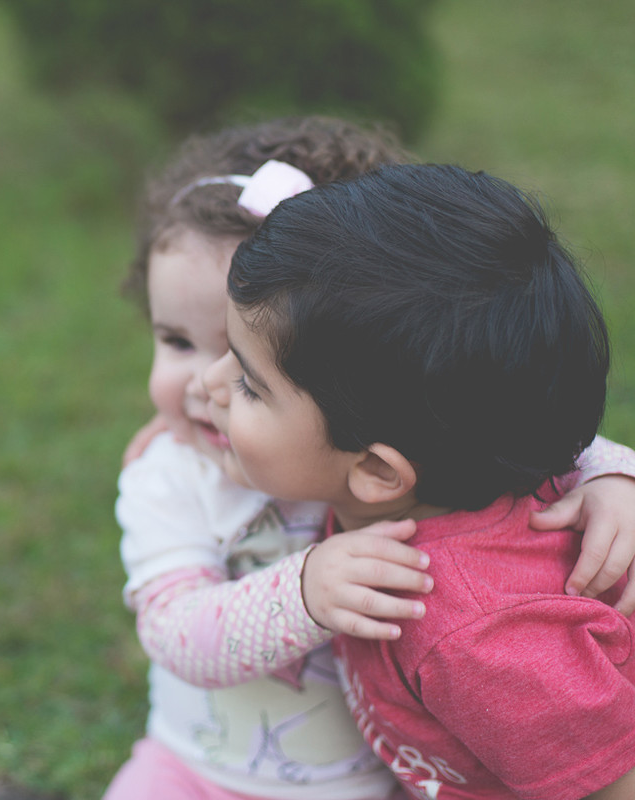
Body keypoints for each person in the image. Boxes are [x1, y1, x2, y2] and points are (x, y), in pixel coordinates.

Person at [108, 120, 635, 800]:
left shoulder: (471, 624)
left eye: (243, 372)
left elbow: (500, 416)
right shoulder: (194, 468)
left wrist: (609, 475)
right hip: (194, 770)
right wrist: (304, 591)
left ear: (378, 469)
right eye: (177, 341)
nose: (202, 388)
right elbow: (173, 628)